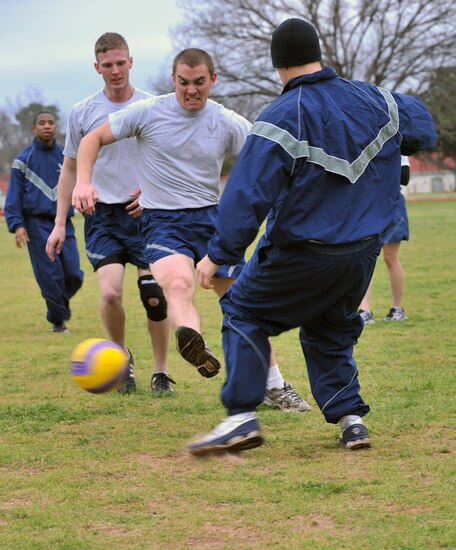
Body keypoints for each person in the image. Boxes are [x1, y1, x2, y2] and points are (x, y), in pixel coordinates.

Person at [190, 17, 436, 456]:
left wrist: (218, 255)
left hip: (304, 251)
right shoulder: (379, 100)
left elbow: (247, 195)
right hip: (362, 254)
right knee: (330, 330)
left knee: (244, 313)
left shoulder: (281, 116)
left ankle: (240, 418)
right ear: (317, 52)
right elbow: (422, 127)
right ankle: (351, 420)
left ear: (277, 65)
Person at [70, 47, 311, 412]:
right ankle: (193, 339)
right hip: (162, 222)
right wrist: (83, 183)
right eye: (184, 83)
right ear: (173, 80)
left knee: (240, 305)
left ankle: (273, 384)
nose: (191, 91)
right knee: (177, 284)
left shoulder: (226, 121)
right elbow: (91, 140)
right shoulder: (149, 112)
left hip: (214, 221)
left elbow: (269, 156)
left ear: (212, 80)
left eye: (199, 82)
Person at [45, 32, 172, 394]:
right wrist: (58, 224)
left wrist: (152, 191)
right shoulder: (83, 112)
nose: (115, 71)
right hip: (102, 216)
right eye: (107, 65)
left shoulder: (153, 105)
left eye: (121, 63)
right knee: (111, 295)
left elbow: (167, 160)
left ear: (131, 62)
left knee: (153, 294)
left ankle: (161, 371)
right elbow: (69, 170)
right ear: (96, 67)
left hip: (146, 215)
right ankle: (120, 360)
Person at [5, 111, 83, 333]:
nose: (47, 126)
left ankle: (56, 307)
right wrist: (17, 224)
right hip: (36, 225)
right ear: (34, 128)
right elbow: (14, 196)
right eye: (42, 123)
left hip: (64, 224)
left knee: (74, 275)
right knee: (51, 275)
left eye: (51, 122)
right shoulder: (23, 160)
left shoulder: (66, 155)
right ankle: (59, 321)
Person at [359, 156, 411, 324]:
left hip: (392, 203)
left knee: (390, 258)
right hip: (367, 204)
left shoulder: (399, 146)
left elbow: (405, 177)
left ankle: (397, 309)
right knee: (364, 259)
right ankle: (365, 310)